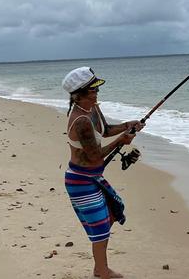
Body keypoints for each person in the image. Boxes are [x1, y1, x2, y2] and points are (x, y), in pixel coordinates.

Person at [62, 66, 144, 279]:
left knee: (108, 218)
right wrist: (122, 140)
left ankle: (101, 268)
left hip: (93, 178)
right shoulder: (81, 121)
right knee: (99, 229)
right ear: (79, 94)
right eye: (92, 89)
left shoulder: (92, 109)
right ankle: (102, 270)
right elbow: (94, 156)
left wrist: (129, 125)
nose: (97, 92)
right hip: (81, 181)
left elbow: (105, 130)